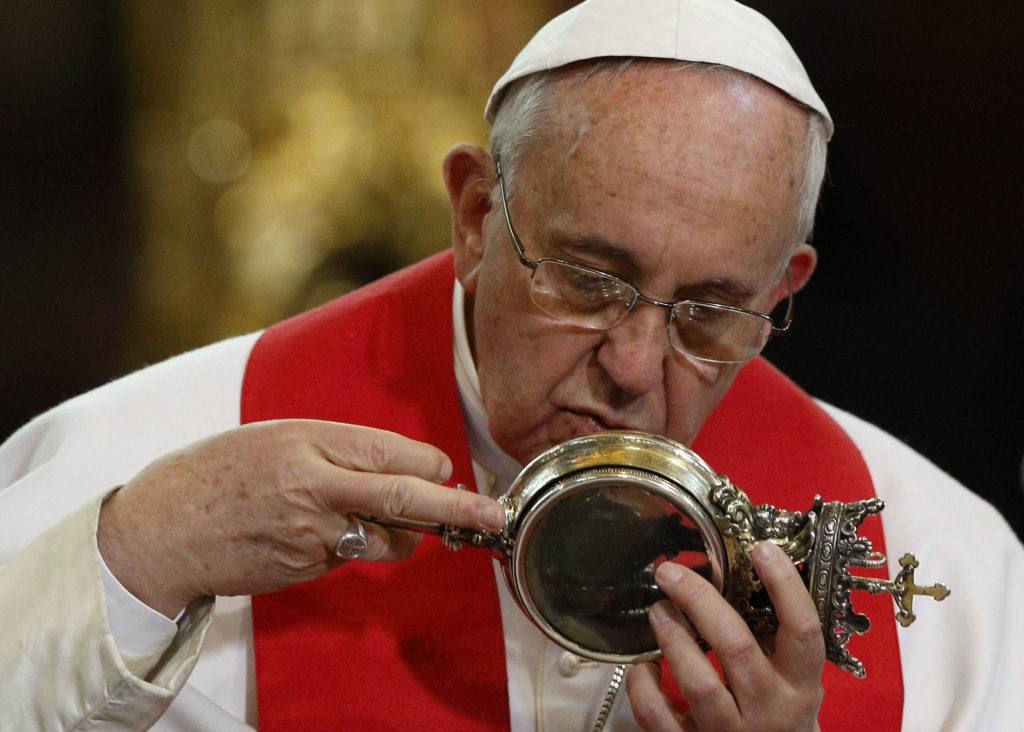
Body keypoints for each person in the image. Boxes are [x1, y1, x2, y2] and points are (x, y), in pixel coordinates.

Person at [1, 0, 1021, 729]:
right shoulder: (150, 460)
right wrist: (130, 565)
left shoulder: (953, 568)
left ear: (782, 291)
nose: (630, 369)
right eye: (587, 278)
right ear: (478, 214)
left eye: (709, 311)